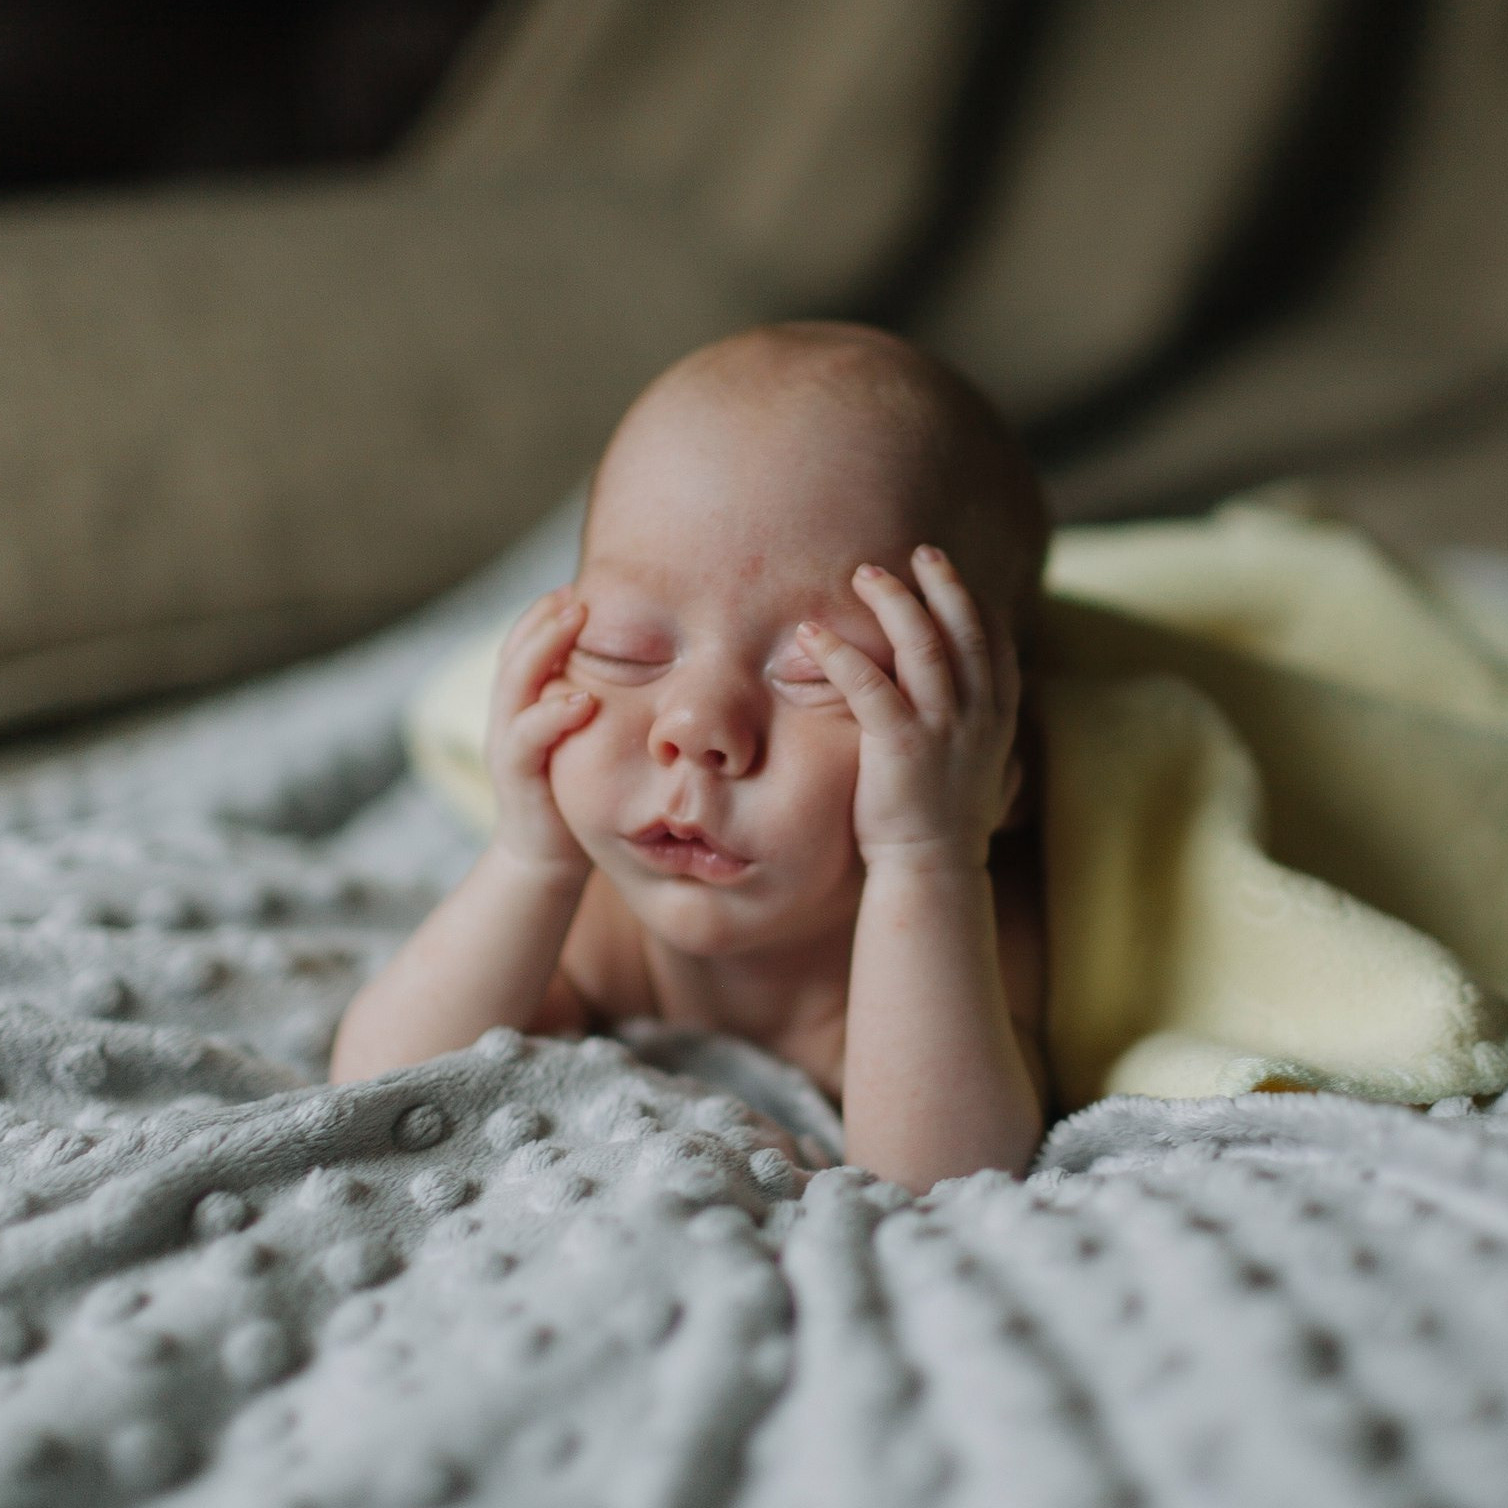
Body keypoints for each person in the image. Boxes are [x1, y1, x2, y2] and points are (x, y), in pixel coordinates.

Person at [330, 321, 1052, 1192]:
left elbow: (940, 1174)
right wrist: (530, 857)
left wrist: (926, 857)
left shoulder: (973, 931)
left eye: (818, 674)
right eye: (629, 651)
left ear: (988, 766)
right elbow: (382, 1082)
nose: (694, 727)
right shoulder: (597, 912)